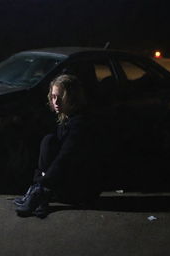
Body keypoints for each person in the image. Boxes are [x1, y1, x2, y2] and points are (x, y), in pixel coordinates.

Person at [14, 74, 103, 218]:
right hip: (67, 181)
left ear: (72, 98)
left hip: (82, 190)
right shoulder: (67, 117)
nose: (56, 101)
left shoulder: (80, 124)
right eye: (54, 96)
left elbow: (64, 159)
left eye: (61, 97)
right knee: (48, 141)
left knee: (50, 143)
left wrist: (43, 182)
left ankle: (41, 194)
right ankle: (40, 193)